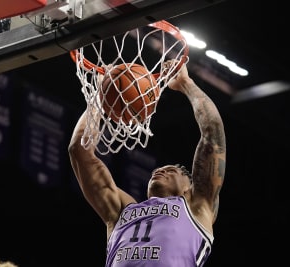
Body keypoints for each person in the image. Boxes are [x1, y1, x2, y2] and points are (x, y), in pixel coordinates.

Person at [68, 61, 226, 267]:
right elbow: (79, 150)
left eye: (171, 170)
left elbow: (212, 134)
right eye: (158, 170)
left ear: (189, 188)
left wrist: (186, 83)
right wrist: (100, 97)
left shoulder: (198, 206)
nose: (159, 171)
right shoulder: (121, 210)